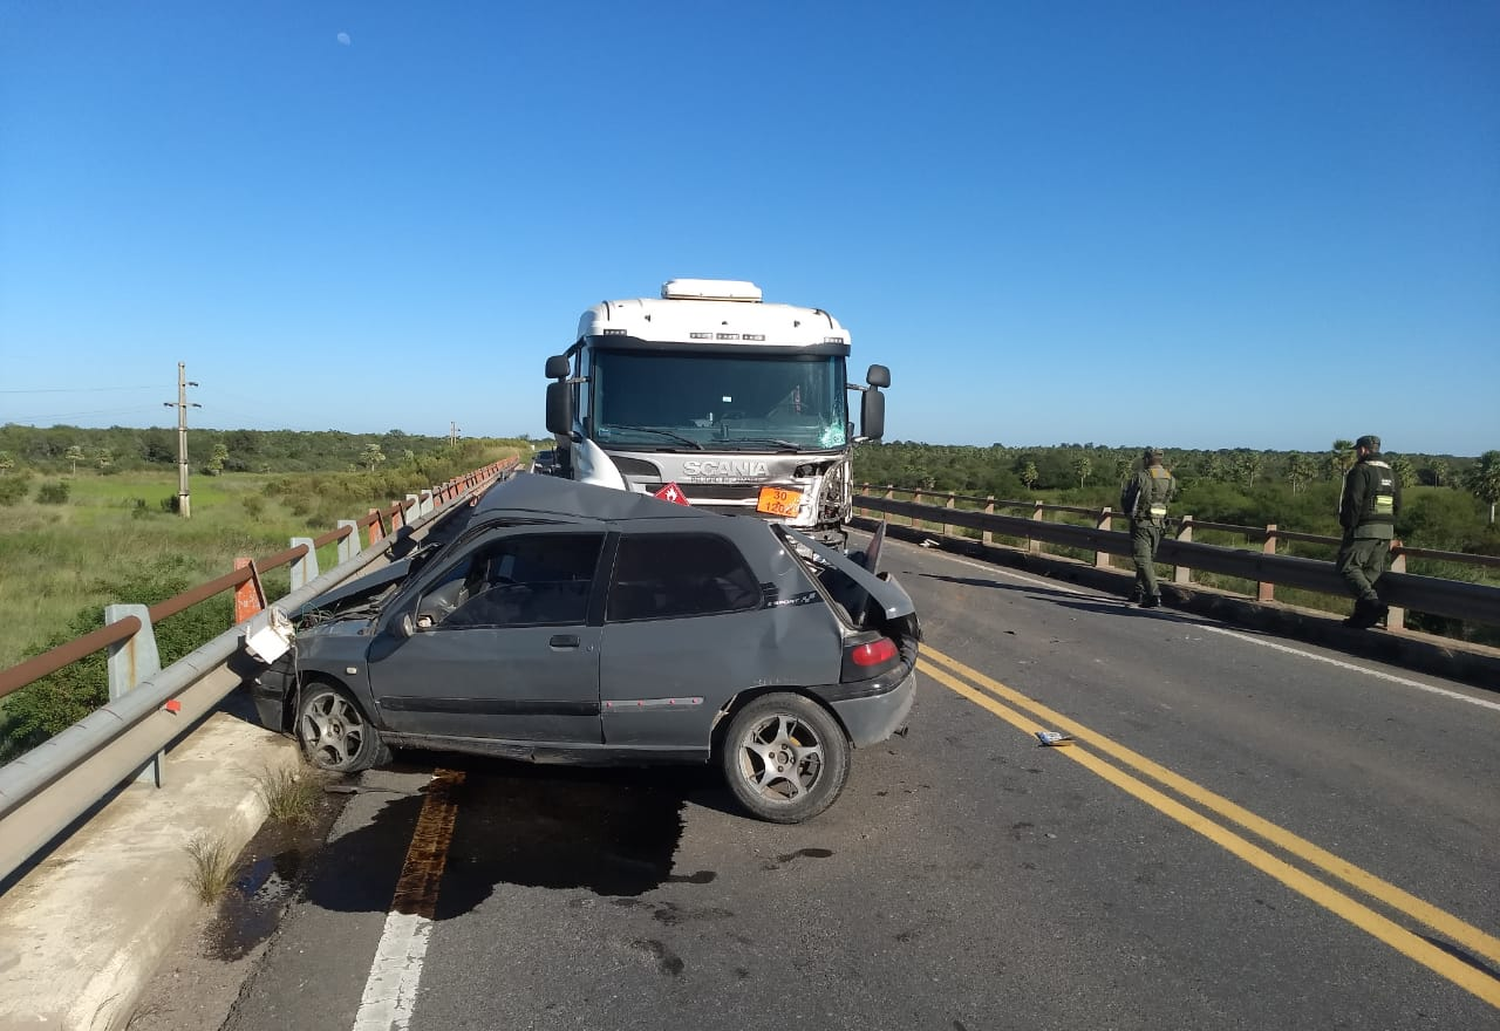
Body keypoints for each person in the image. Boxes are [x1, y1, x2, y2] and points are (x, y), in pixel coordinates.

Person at [1337, 434, 1399, 628]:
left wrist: (1349, 525)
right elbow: (1398, 504)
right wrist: (1390, 527)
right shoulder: (1391, 473)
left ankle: (1372, 603)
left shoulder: (1360, 471)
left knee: (1347, 567)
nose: (1356, 453)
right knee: (1370, 573)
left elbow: (1353, 501)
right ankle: (1361, 617)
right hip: (1386, 530)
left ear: (1363, 450)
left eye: (1357, 450)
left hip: (1364, 528)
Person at [1121, 447, 1177, 608]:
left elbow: (1128, 499)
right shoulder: (1170, 478)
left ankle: (1154, 594)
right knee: (1146, 559)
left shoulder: (1141, 477)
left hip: (1142, 523)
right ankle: (1138, 592)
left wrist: (1128, 513)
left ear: (1146, 459)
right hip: (1159, 524)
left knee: (1142, 559)